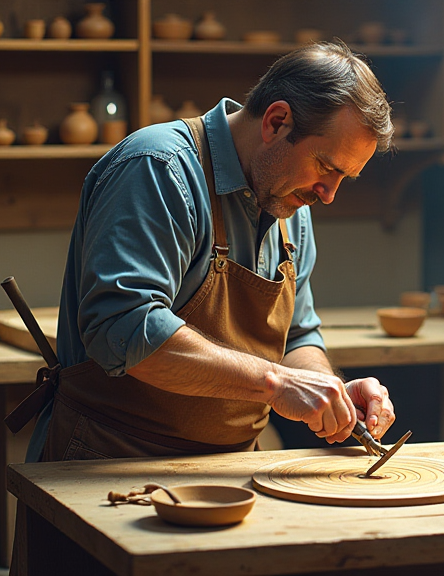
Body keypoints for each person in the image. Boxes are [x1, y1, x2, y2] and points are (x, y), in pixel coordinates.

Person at [22, 42, 397, 463]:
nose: (329, 195)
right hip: (108, 459)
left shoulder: (291, 203)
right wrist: (276, 383)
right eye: (327, 167)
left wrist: (329, 392)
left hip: (229, 468)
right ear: (276, 122)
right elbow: (122, 327)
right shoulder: (159, 167)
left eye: (346, 177)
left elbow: (297, 335)